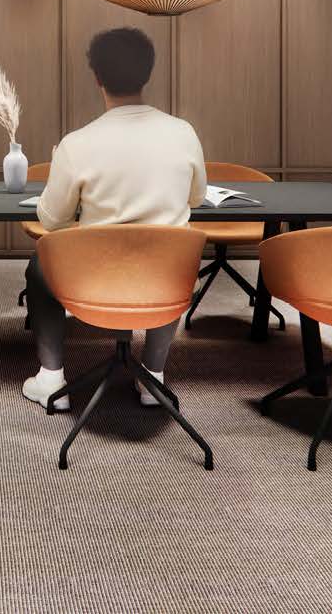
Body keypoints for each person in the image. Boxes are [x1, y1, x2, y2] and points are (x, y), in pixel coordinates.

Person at [25, 27, 206, 411]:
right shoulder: (184, 133)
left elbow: (52, 221)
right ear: (148, 73)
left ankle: (52, 379)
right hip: (163, 281)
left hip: (94, 283)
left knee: (40, 263)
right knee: (174, 258)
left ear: (97, 77)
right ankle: (153, 377)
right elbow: (197, 197)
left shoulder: (76, 144)